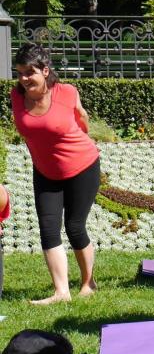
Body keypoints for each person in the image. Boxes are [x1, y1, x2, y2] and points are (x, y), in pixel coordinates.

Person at [10, 43, 101, 304]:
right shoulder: (16, 96)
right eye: (20, 73)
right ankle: (61, 292)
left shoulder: (66, 92)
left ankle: (88, 282)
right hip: (45, 172)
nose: (24, 78)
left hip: (82, 166)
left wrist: (83, 132)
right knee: (48, 229)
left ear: (45, 70)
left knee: (74, 226)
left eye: (30, 72)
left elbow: (82, 118)